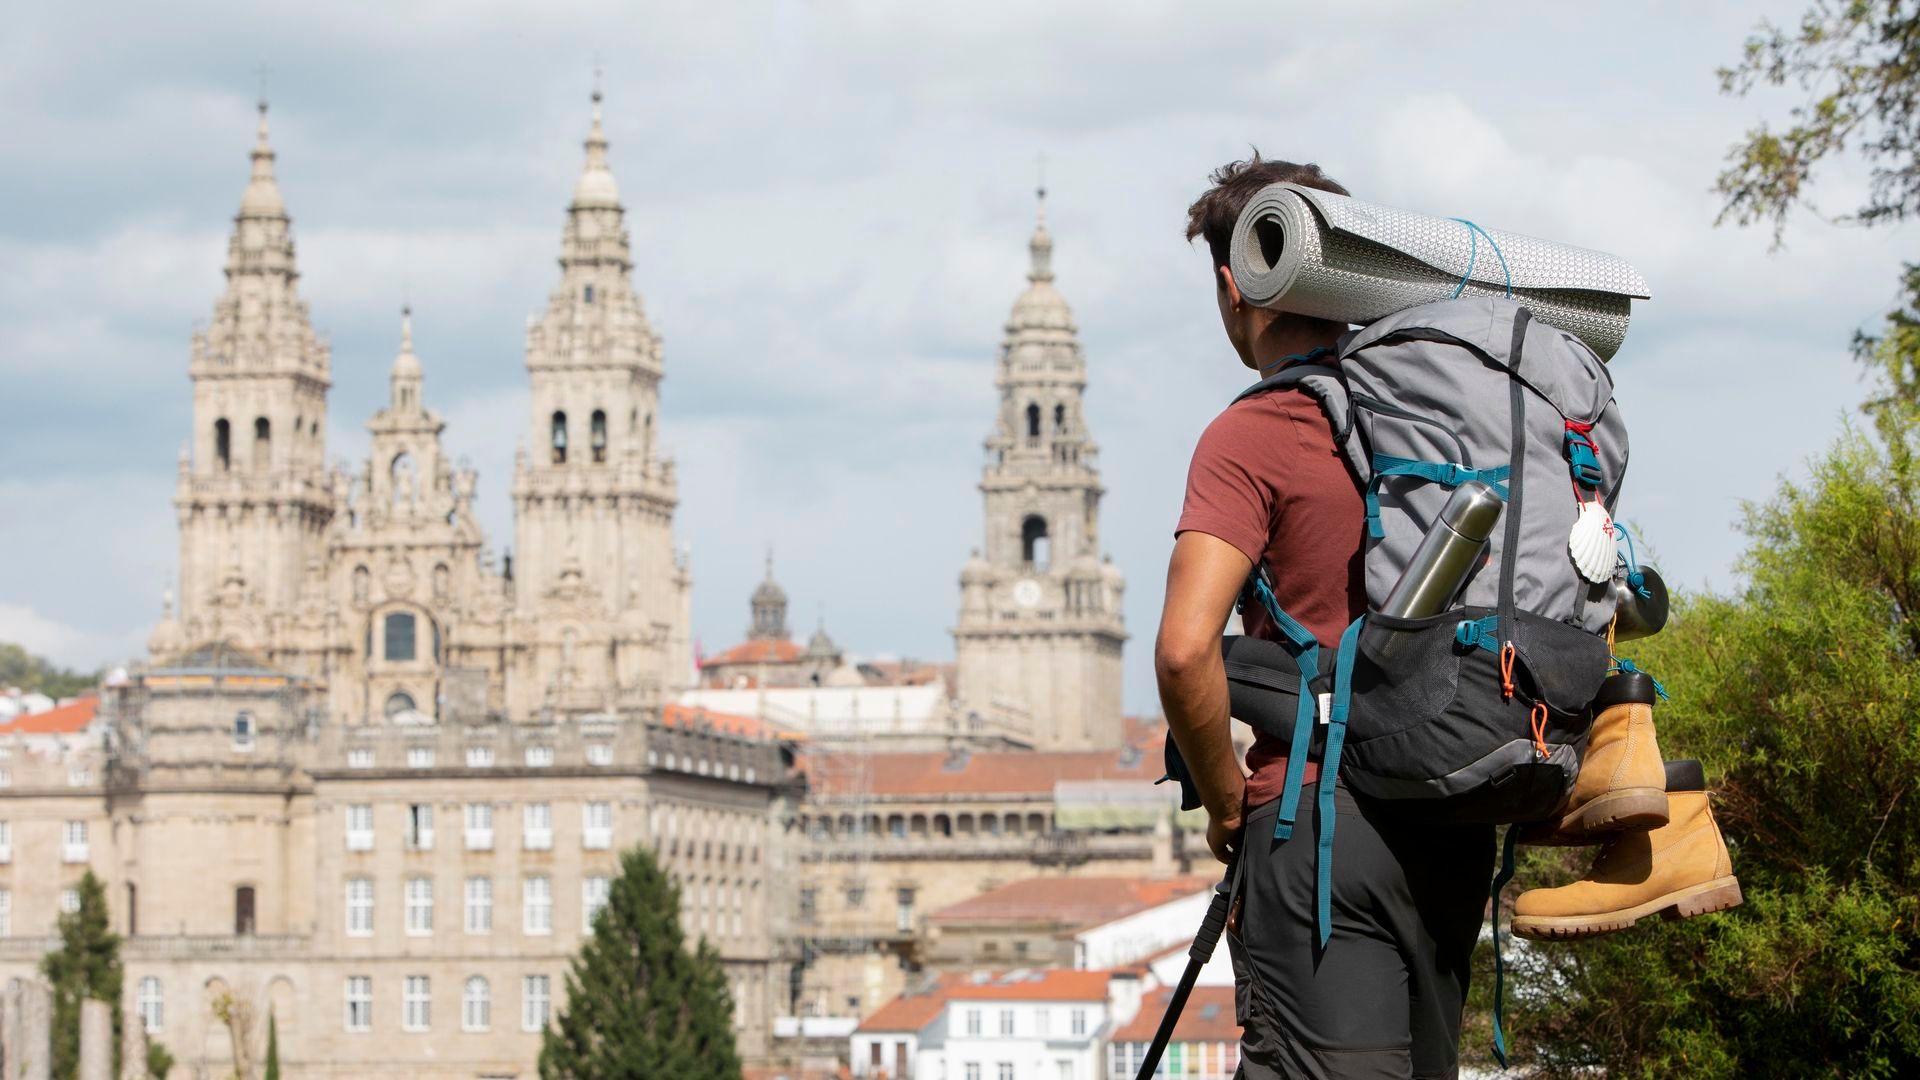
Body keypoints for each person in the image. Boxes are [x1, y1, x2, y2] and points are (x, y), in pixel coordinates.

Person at [1154, 153, 1494, 1080]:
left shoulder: (1255, 433)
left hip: (1318, 828)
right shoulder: (1438, 418)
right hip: (1451, 824)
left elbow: (1186, 653)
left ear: (1235, 285)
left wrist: (1227, 799)